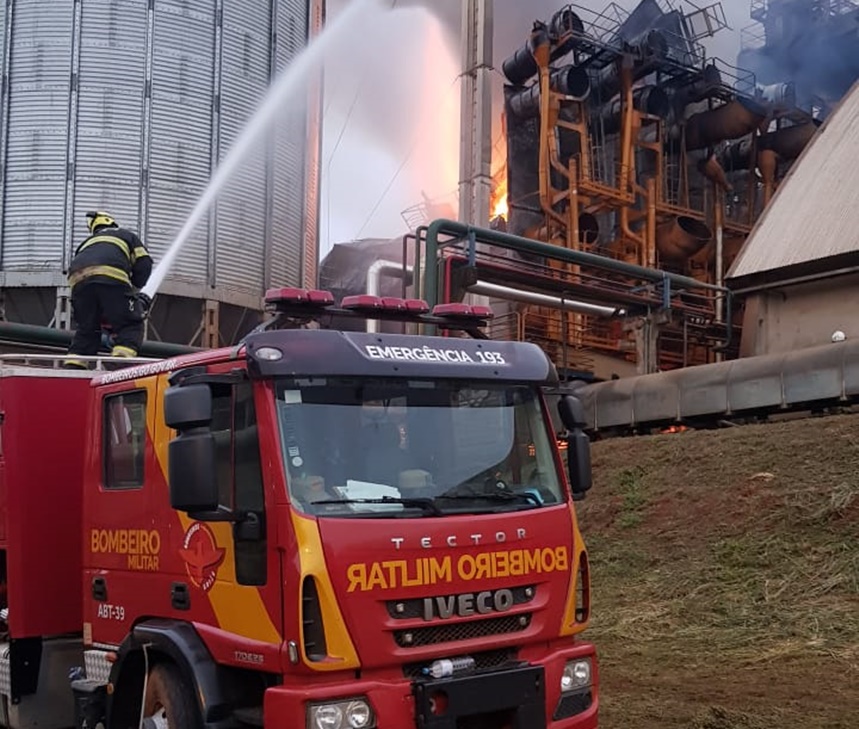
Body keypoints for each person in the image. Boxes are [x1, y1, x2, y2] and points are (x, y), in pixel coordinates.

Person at [63, 211, 153, 368]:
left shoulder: (87, 243)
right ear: (111, 222)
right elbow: (144, 263)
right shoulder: (125, 235)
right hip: (111, 277)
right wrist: (134, 290)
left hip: (78, 281)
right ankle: (119, 364)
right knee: (130, 325)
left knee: (87, 330)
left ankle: (73, 367)